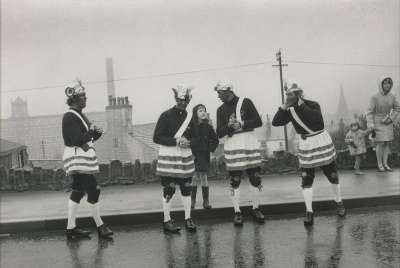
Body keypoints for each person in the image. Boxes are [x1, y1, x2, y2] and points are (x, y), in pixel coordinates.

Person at [272, 82, 346, 226]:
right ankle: (309, 211)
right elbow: (276, 122)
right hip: (306, 144)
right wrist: (283, 108)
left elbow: (316, 121)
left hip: (320, 141)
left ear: (299, 94)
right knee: (307, 179)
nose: (287, 97)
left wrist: (300, 105)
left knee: (332, 175)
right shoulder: (289, 110)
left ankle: (339, 203)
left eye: (290, 94)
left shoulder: (313, 105)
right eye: (286, 94)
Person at [62, 79, 113, 239]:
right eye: (82, 96)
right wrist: (91, 132)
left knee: (78, 191)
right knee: (94, 189)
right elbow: (77, 139)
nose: (85, 98)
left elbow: (87, 138)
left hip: (81, 158)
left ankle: (71, 229)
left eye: (85, 95)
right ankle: (100, 226)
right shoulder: (69, 116)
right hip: (77, 159)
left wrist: (95, 133)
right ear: (74, 99)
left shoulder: (79, 115)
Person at [215, 80, 265, 226]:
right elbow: (219, 133)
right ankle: (237, 212)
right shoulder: (220, 110)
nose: (218, 96)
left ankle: (256, 209)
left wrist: (242, 124)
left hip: (249, 141)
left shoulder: (246, 102)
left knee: (255, 178)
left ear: (228, 91)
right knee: (235, 180)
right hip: (233, 144)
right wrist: (229, 126)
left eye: (220, 93)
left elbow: (258, 121)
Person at [153, 85, 197, 233]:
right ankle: (167, 220)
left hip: (184, 156)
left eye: (185, 101)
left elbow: (197, 137)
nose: (182, 103)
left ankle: (188, 218)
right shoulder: (165, 115)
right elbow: (157, 137)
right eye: (180, 100)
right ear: (175, 98)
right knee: (169, 188)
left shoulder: (191, 117)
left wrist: (189, 142)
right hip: (169, 157)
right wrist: (176, 141)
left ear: (188, 101)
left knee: (186, 188)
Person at [366, 77, 400, 172]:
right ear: (381, 85)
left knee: (387, 144)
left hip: (387, 122)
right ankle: (380, 164)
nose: (387, 85)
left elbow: (397, 108)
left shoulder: (392, 96)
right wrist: (371, 125)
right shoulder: (374, 97)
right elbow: (369, 112)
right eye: (385, 83)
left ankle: (386, 164)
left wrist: (390, 118)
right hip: (377, 122)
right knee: (380, 143)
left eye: (389, 83)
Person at [190, 104, 219, 209]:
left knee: (204, 177)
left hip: (204, 154)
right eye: (200, 111)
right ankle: (192, 201)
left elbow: (215, 140)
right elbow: (187, 140)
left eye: (204, 110)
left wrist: (210, 149)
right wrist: (190, 153)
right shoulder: (191, 127)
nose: (203, 112)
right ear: (195, 113)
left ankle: (205, 201)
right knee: (194, 177)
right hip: (194, 155)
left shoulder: (208, 127)